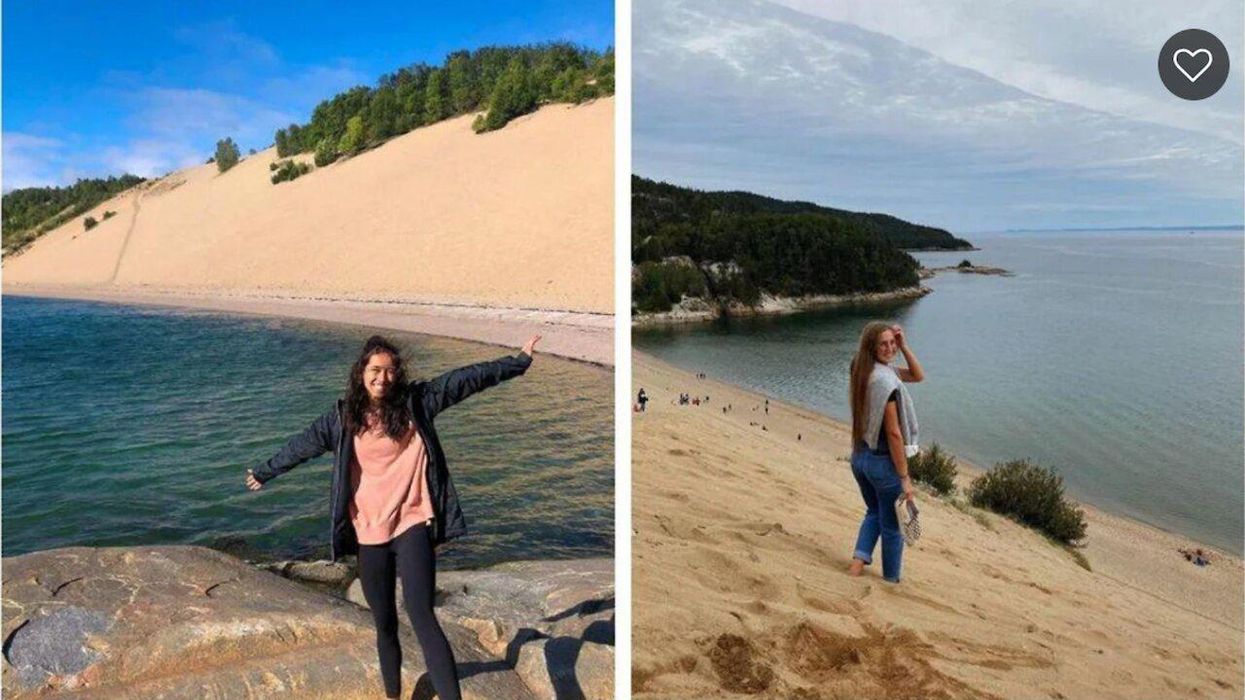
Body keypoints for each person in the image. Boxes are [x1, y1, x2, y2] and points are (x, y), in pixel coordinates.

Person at [245, 334, 540, 700]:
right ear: (361, 373)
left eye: (388, 371)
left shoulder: (418, 402)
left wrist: (518, 361)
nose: (382, 378)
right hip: (369, 531)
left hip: (413, 521)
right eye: (374, 370)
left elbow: (467, 380)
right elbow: (302, 445)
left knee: (422, 614)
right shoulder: (342, 417)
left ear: (397, 374)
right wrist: (265, 471)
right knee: (384, 623)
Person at [846, 322, 924, 584]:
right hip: (882, 462)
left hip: (859, 457)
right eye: (884, 344)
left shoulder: (862, 369)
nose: (890, 348)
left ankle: (856, 567)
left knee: (874, 512)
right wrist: (904, 477)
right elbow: (893, 433)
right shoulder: (885, 382)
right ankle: (891, 582)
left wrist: (904, 346)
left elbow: (917, 375)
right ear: (872, 346)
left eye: (893, 343)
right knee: (892, 527)